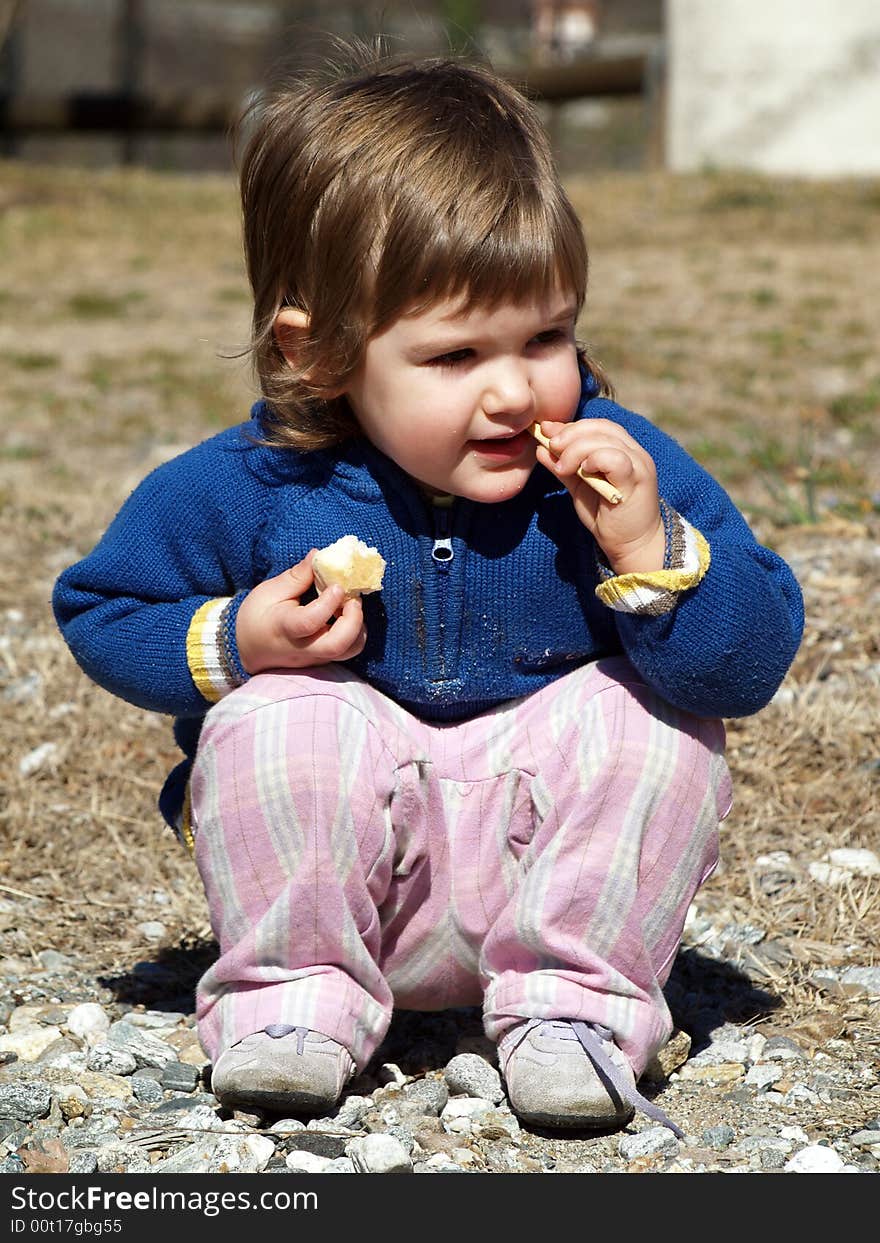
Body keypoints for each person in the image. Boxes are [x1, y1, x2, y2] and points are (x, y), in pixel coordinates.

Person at [53, 43, 803, 1135]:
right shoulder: (256, 482)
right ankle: (289, 1002)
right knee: (278, 713)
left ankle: (577, 1012)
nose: (516, 390)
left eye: (547, 334)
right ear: (321, 355)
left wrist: (649, 553)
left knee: (655, 718)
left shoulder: (614, 468)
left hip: (548, 874)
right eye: (455, 357)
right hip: (354, 885)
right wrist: (238, 641)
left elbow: (748, 666)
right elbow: (102, 607)